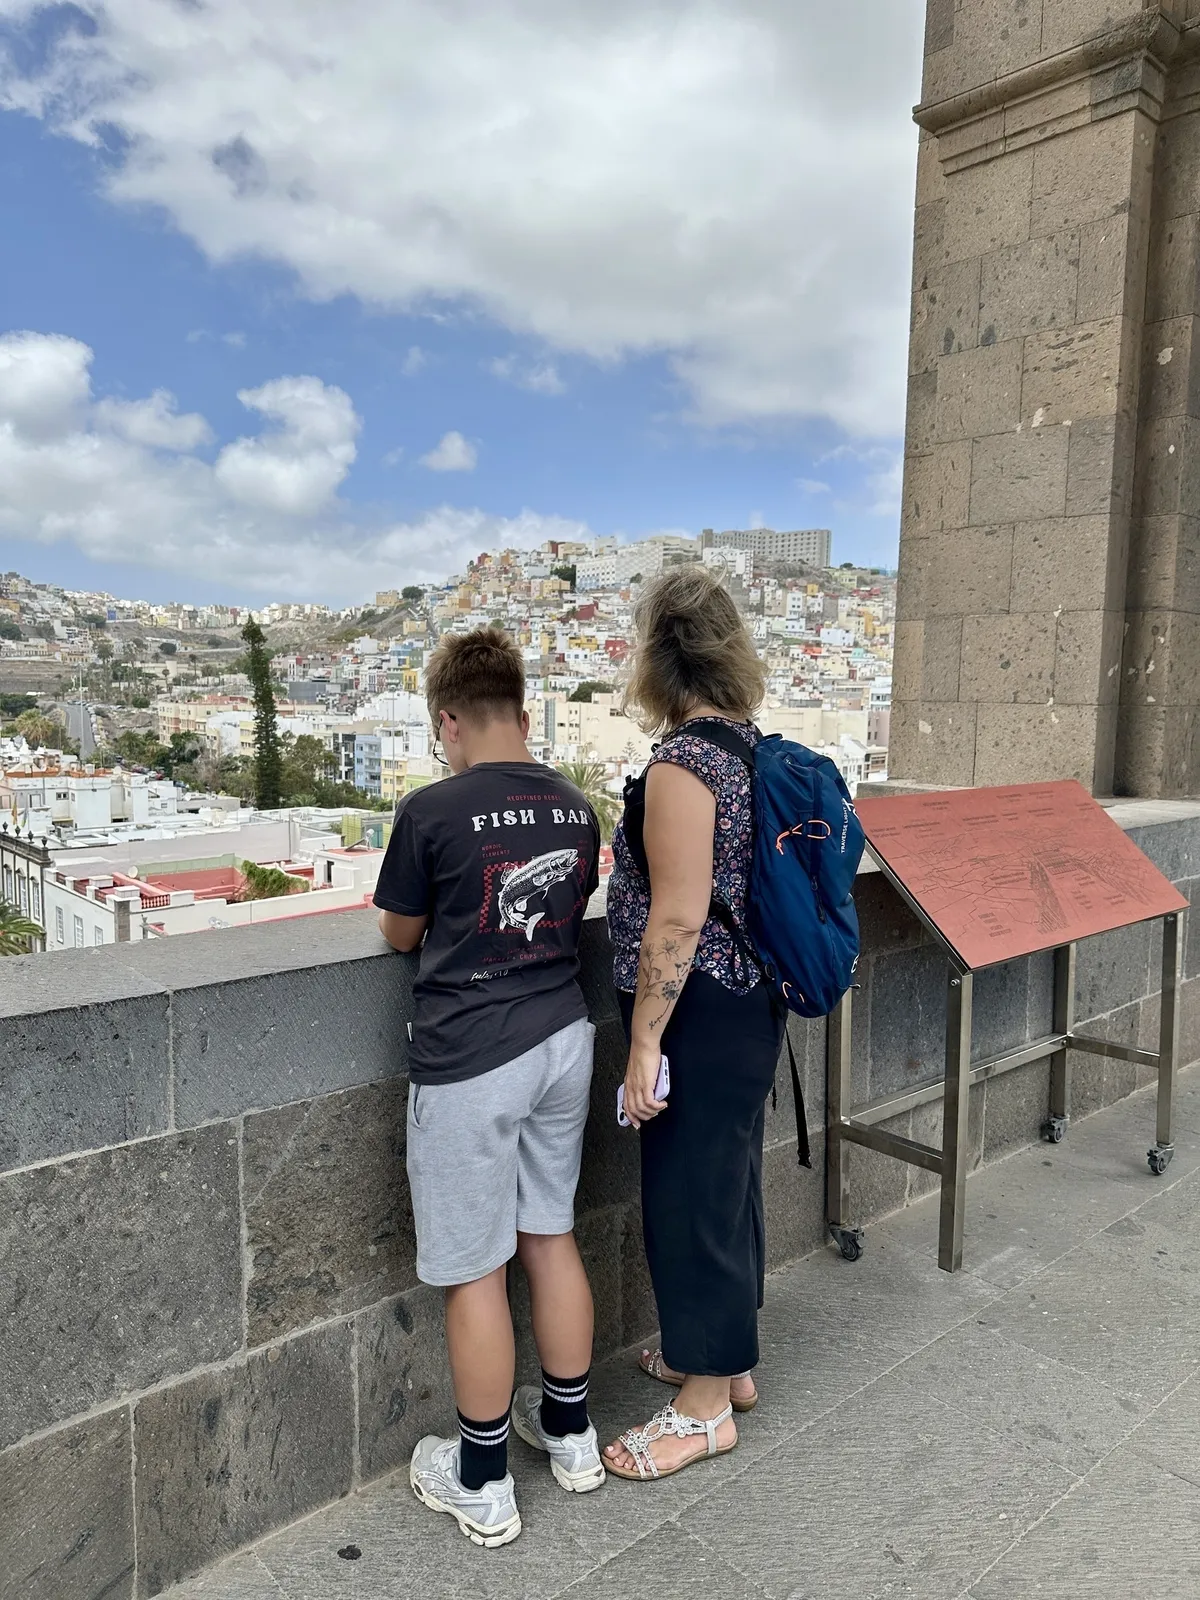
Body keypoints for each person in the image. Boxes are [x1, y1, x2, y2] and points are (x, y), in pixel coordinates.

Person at [374, 626, 605, 1547]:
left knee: (475, 1268)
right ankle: (573, 1433)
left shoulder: (433, 809)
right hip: (564, 1036)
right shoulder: (576, 805)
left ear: (450, 720)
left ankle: (481, 1479)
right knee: (550, 1234)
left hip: (472, 1056)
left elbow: (399, 932)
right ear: (518, 705)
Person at [603, 566, 782, 1482]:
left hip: (698, 1009)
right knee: (728, 1183)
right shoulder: (751, 749)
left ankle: (703, 1407)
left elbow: (676, 917)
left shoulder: (683, 764)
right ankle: (724, 1361)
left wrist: (643, 1041)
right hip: (752, 999)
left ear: (658, 659)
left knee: (691, 1193)